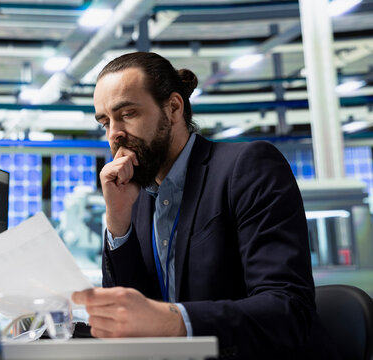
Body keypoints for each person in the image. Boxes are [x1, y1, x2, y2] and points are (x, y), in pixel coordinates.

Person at [71, 52, 340, 359]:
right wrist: (118, 219)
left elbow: (288, 308)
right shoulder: (139, 197)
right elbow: (130, 316)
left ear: (173, 108)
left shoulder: (247, 167)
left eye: (128, 114)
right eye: (105, 121)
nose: (114, 133)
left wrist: (174, 321)